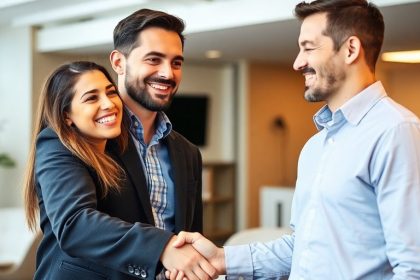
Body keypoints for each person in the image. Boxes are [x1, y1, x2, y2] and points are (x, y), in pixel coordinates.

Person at [167, 0, 420, 279]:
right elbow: (301, 248)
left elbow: (413, 267)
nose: (297, 63)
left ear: (350, 49)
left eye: (308, 48)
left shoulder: (396, 132)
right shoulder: (316, 146)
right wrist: (221, 258)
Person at [23, 60, 215, 280]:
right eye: (91, 98)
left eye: (111, 92)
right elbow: (74, 224)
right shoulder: (56, 145)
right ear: (67, 115)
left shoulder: (123, 145)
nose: (108, 104)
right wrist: (163, 247)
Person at [109, 8, 217, 280]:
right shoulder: (78, 138)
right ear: (119, 62)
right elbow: (76, 227)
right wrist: (161, 247)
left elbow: (191, 237)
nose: (168, 74)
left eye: (177, 63)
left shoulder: (188, 153)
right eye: (154, 59)